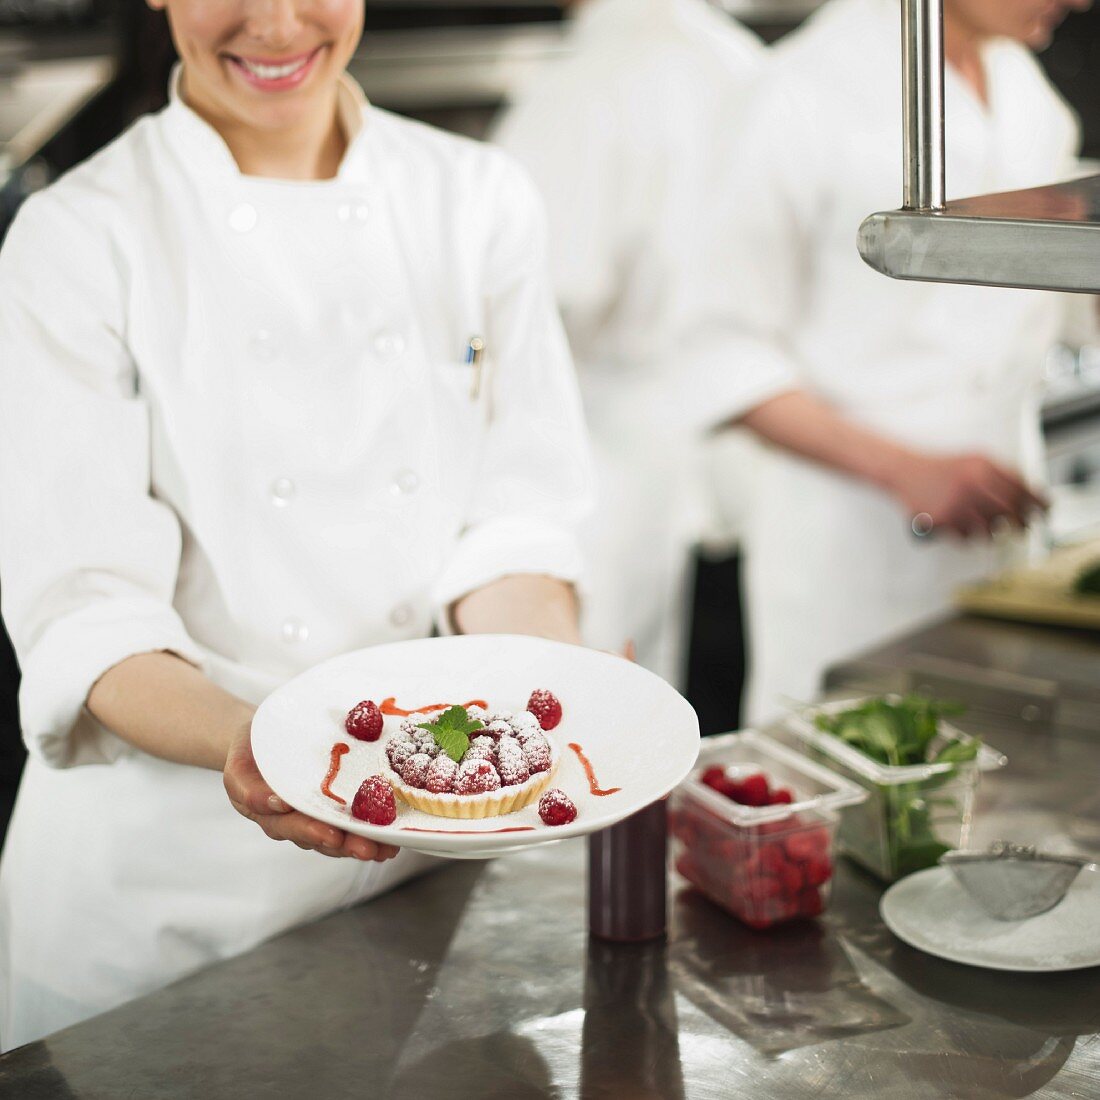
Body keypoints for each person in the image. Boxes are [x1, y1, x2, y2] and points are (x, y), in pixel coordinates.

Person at [0, 0, 591, 1050]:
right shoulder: (79, 236)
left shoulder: (474, 198)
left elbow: (513, 517)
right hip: (163, 904)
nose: (274, 23)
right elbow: (85, 607)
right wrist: (256, 742)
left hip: (422, 861)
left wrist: (543, 692)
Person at [712, 0, 1087, 721]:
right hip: (853, 555)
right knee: (849, 797)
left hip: (1005, 537)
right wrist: (908, 470)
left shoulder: (1026, 90)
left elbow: (1044, 302)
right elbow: (716, 350)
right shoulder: (794, 92)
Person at [492, 0, 767, 687]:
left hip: (601, 455)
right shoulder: (743, 61)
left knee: (581, 713)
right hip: (723, 450)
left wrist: (462, 360)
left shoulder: (584, 85)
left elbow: (511, 310)